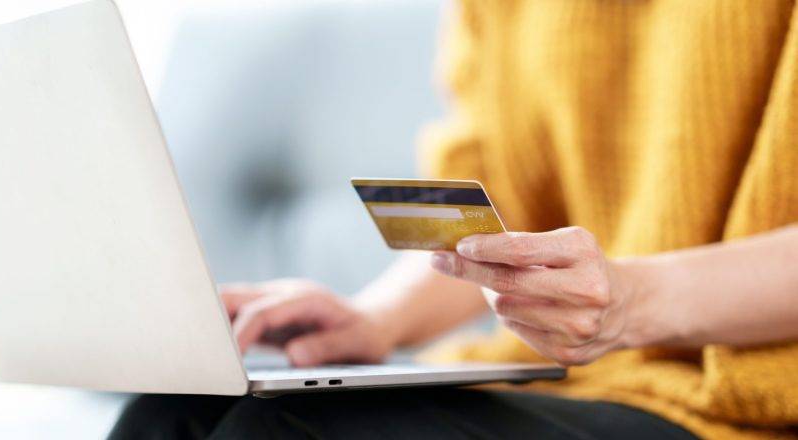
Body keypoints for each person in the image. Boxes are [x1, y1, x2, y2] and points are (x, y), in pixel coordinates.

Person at [110, 1, 798, 438]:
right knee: (171, 417)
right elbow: (493, 206)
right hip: (571, 380)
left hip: (750, 402)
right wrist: (375, 320)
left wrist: (636, 302)